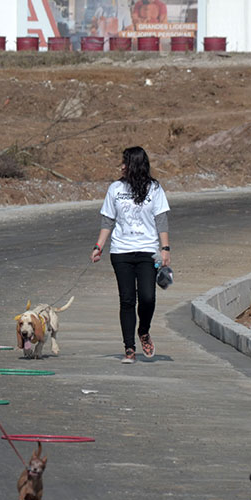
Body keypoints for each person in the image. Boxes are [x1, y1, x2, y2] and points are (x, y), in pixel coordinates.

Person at [90, 146, 170, 364]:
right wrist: (99, 246)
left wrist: (165, 249)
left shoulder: (154, 189)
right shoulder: (115, 188)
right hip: (121, 251)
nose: (122, 166)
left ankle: (143, 331)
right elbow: (108, 220)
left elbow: (161, 220)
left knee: (147, 297)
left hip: (148, 251)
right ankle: (129, 349)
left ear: (135, 164)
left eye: (125, 162)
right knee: (127, 300)